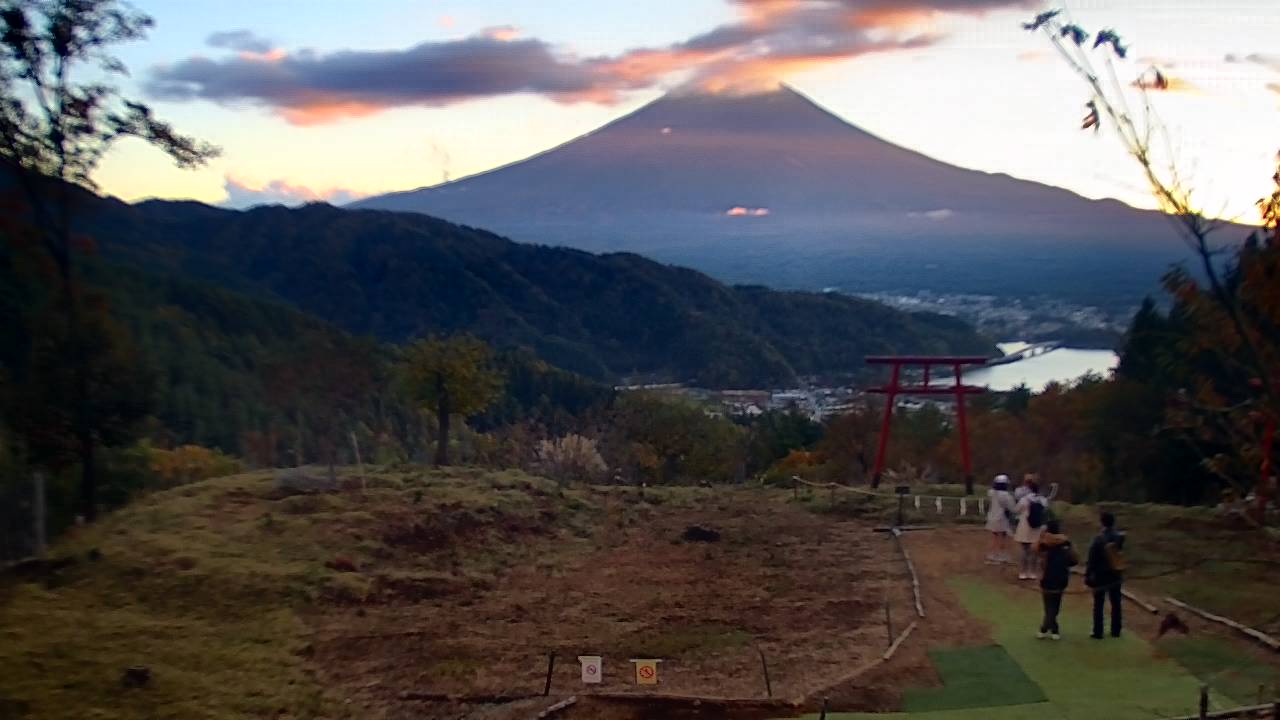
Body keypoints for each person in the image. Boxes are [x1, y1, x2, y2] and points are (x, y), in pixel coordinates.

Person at [1086, 511, 1126, 638]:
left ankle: (1098, 631)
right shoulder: (1119, 537)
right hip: (1115, 574)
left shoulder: (1098, 539)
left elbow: (1092, 558)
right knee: (1116, 603)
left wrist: (1088, 574)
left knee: (1099, 604)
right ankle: (1116, 630)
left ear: (1102, 522)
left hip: (1100, 575)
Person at [1035, 519, 1077, 640]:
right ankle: (1054, 629)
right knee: (1055, 605)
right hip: (1061, 577)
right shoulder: (1066, 542)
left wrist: (1041, 535)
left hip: (1047, 577)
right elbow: (1074, 560)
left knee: (1048, 605)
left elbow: (1034, 549)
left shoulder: (1044, 543)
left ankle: (1044, 628)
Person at [1013, 480, 1047, 580]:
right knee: (1034, 551)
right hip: (1037, 527)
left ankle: (1023, 572)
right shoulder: (1042, 500)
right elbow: (1045, 511)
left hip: (1025, 526)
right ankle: (1032, 572)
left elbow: (1016, 510)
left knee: (1024, 550)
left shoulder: (1024, 500)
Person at [985, 474, 1016, 564]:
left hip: (992, 517)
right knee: (1003, 537)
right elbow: (1012, 507)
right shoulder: (1006, 495)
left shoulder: (991, 493)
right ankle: (1001, 555)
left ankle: (992, 554)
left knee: (995, 537)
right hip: (1002, 518)